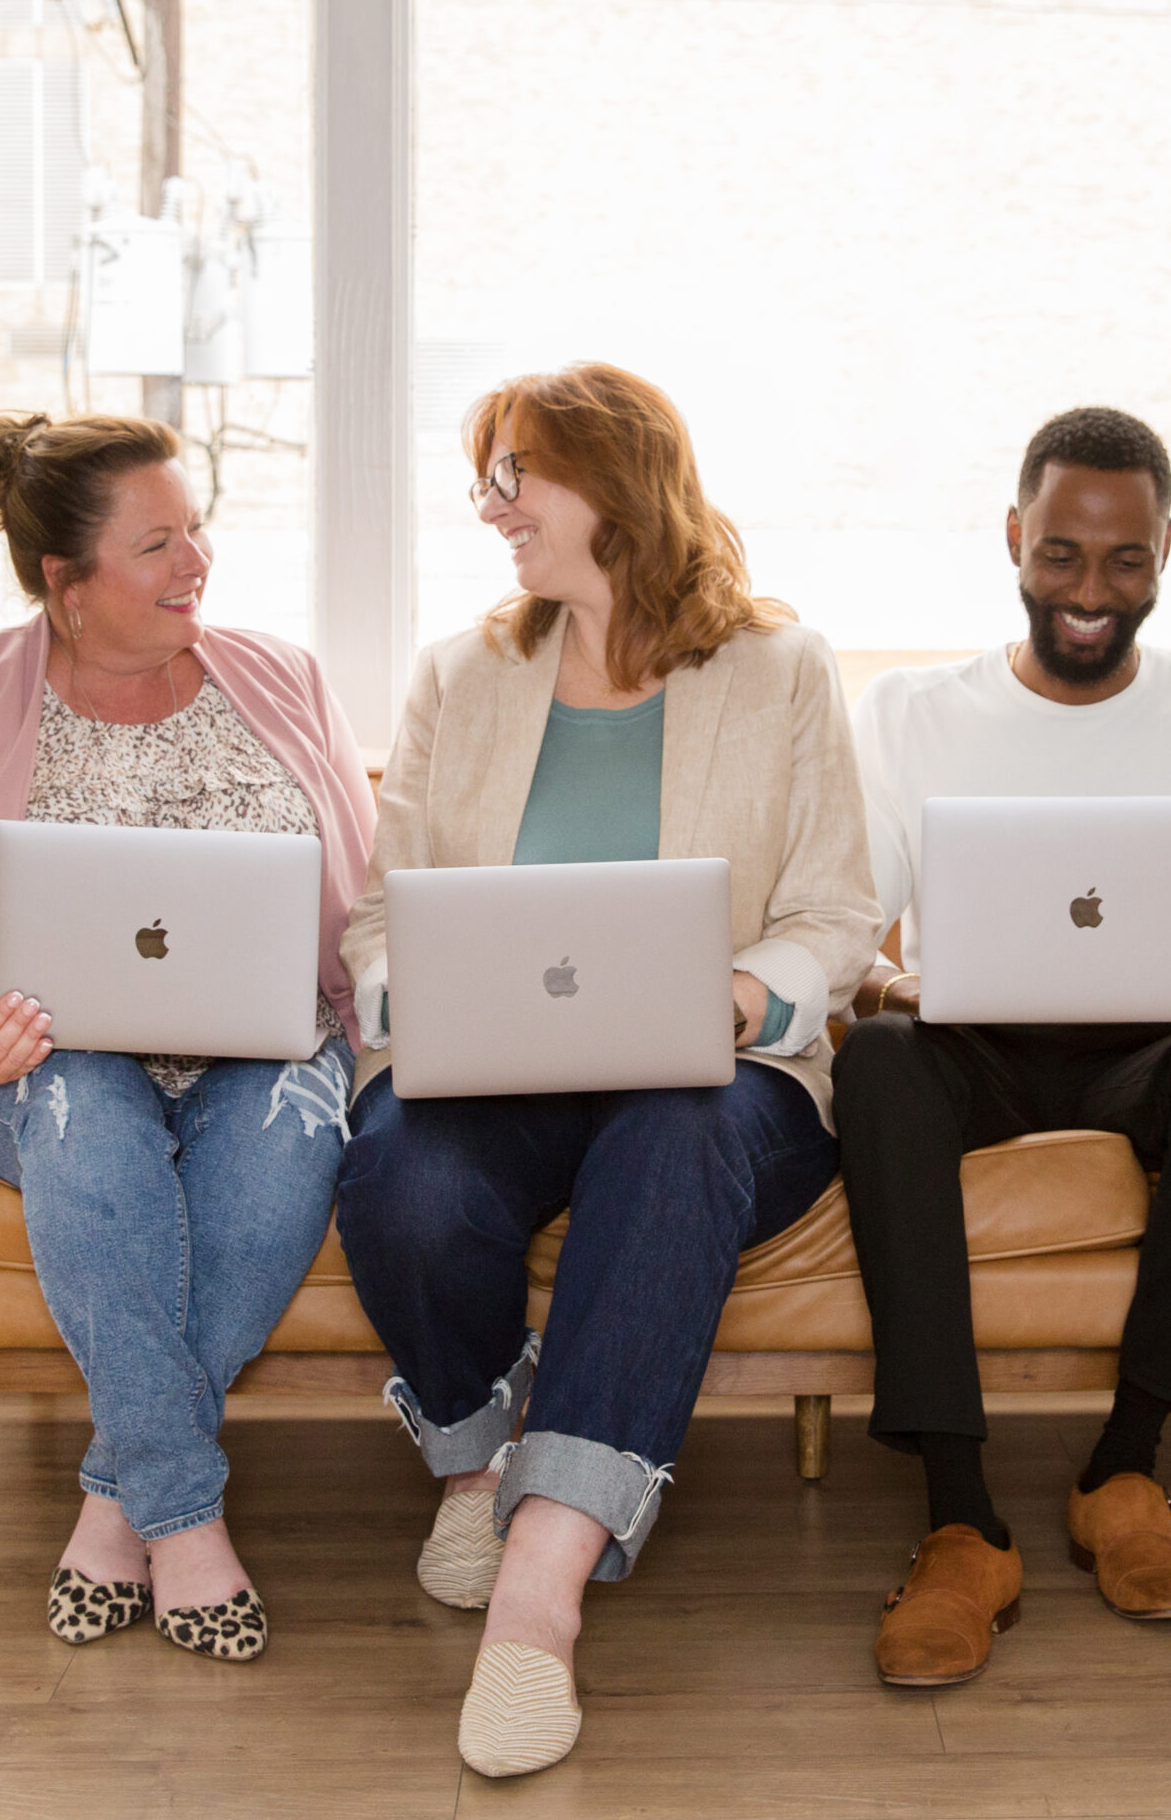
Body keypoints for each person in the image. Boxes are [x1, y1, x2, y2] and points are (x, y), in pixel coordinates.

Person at [335, 363, 881, 1778]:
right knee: (399, 1176)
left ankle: (541, 1588)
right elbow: (383, 915)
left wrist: (745, 996)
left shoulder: (782, 668)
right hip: (495, 1073)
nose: (491, 509)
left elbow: (836, 911)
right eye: (486, 480)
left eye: (516, 477)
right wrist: (431, 992)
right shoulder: (463, 673)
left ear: (614, 483)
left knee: (672, 1137)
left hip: (717, 1087)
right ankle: (475, 1465)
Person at [0, 412, 375, 1662]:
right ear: (61, 583)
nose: (197, 562)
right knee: (88, 1129)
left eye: (196, 531)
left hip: (266, 1044)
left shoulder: (281, 675)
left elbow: (365, 904)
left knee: (283, 1154)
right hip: (35, 1054)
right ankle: (185, 1519)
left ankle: (112, 1496)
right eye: (157, 545)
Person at [832, 406, 1171, 1688]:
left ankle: (1126, 1467)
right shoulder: (909, 714)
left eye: (1126, 561)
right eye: (1060, 556)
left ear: (1166, 550)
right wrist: (890, 982)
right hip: (972, 1043)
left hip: (1158, 1046)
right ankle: (959, 1517)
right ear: (1013, 539)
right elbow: (844, 924)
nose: (1091, 593)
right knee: (875, 1063)